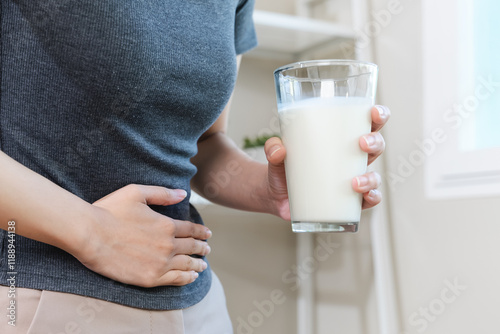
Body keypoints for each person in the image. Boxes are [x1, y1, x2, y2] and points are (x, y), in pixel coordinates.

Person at [0, 0, 389, 333]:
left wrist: (273, 189)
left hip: (196, 304)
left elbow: (203, 144)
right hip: (38, 294)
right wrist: (93, 233)